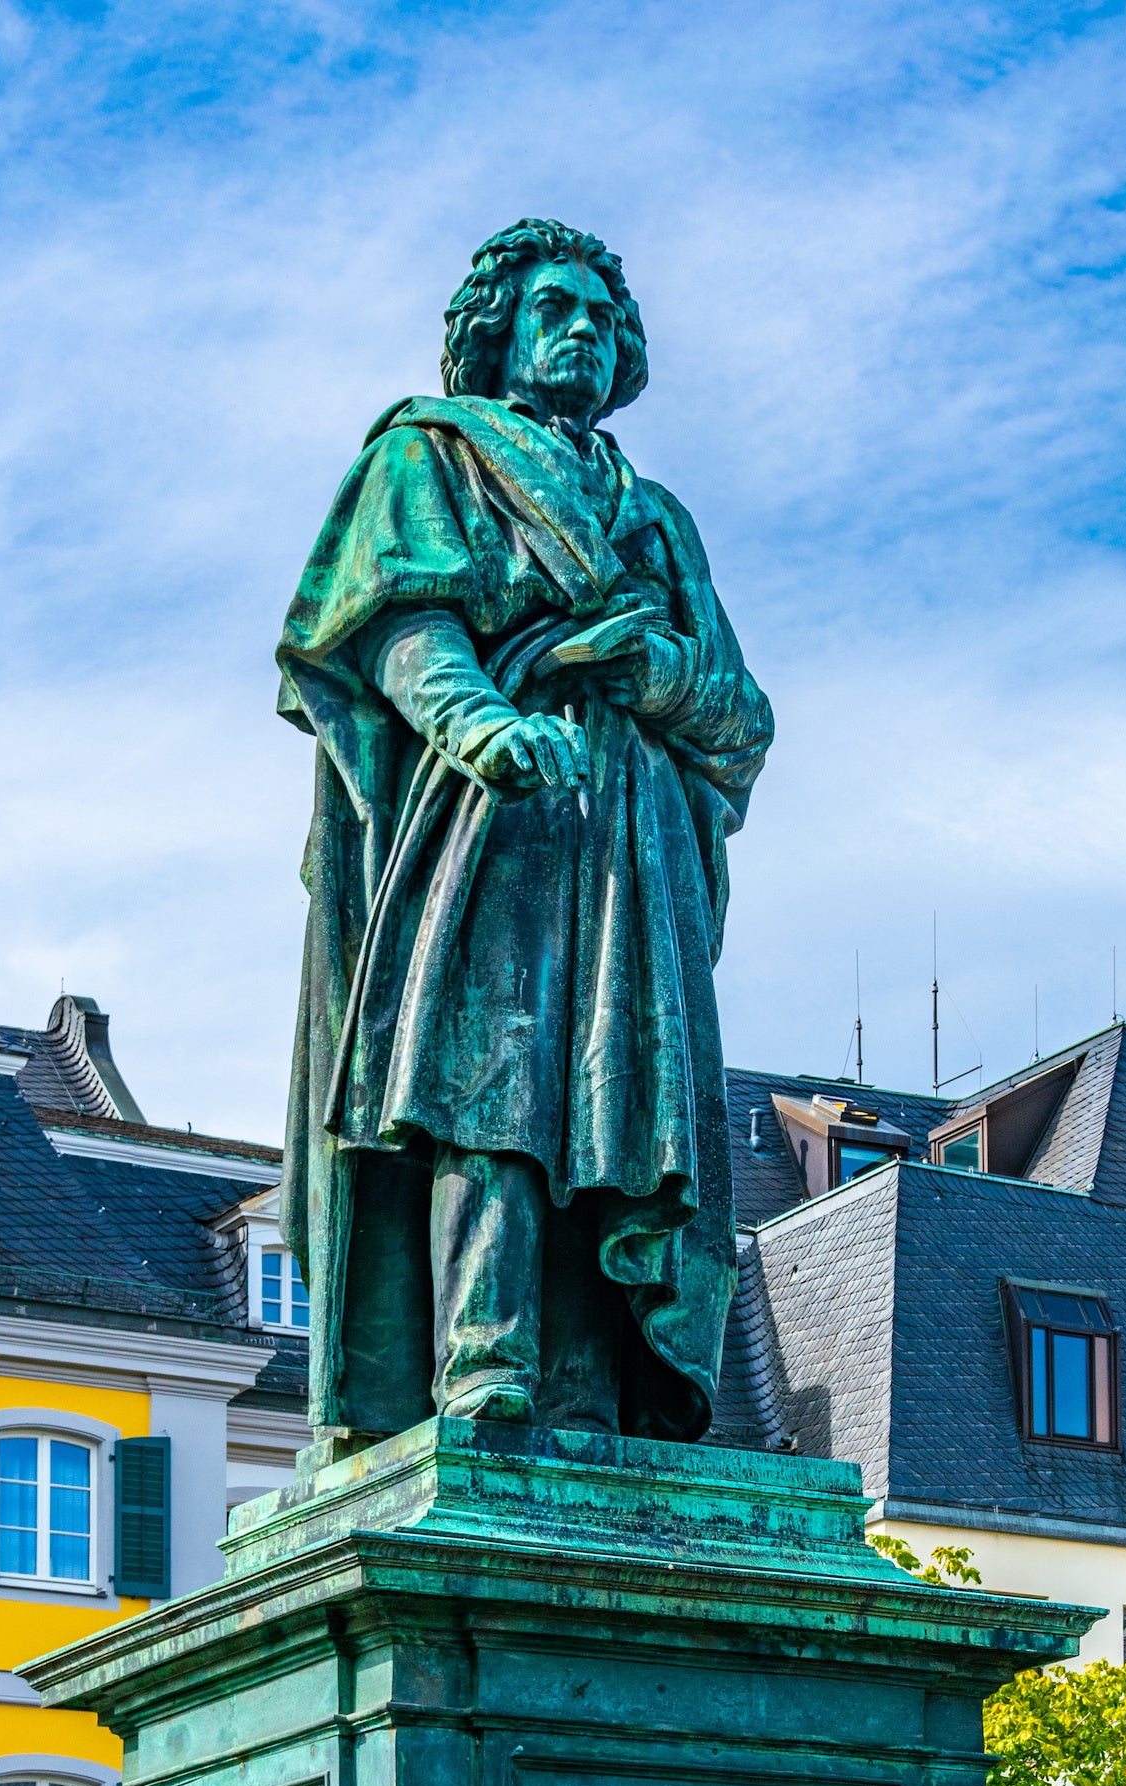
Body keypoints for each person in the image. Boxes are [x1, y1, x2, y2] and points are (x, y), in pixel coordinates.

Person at [278, 217, 773, 1443]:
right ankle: (482, 1358)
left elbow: (741, 714)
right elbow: (400, 627)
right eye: (558, 310)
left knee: (618, 1102)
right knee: (485, 1078)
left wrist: (658, 672)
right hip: (493, 814)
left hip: (635, 835)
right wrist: (483, 724)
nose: (585, 333)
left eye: (605, 319)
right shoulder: (431, 454)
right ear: (497, 333)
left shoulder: (658, 519)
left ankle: (587, 1384)